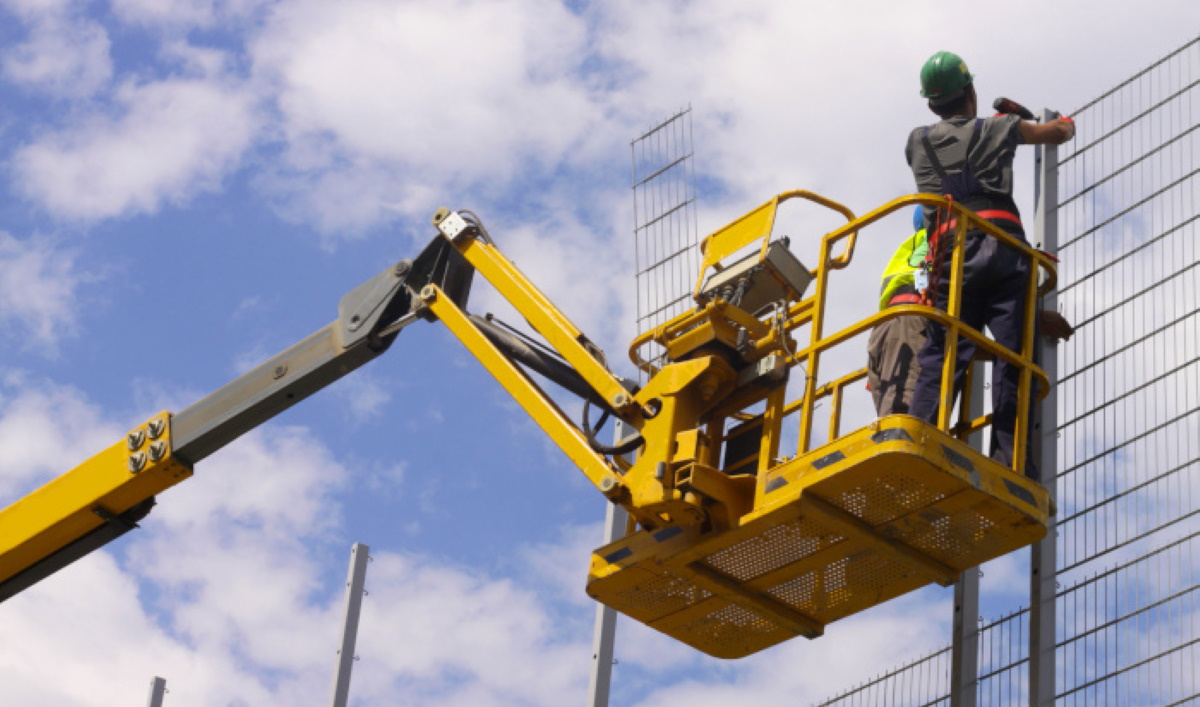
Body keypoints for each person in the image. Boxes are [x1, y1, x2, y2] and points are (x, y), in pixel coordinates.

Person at [904, 51, 1075, 476]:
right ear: (971, 92)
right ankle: (1012, 461)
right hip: (1003, 249)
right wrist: (1050, 121)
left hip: (951, 256)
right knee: (1013, 356)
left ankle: (919, 442)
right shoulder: (998, 127)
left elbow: (952, 154)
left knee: (942, 352)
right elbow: (1056, 133)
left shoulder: (916, 141)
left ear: (930, 103)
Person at [867, 206, 1074, 419]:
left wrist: (1003, 355)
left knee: (906, 418)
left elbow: (959, 338)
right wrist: (1032, 321)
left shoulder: (919, 246)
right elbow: (981, 297)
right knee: (907, 421)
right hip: (912, 323)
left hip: (894, 330)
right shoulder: (942, 240)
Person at [868, 206, 928, 415]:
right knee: (903, 406)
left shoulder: (909, 247)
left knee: (889, 403)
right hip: (908, 323)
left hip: (885, 327)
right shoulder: (936, 238)